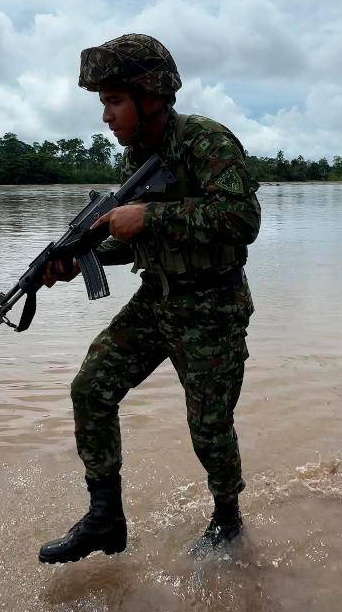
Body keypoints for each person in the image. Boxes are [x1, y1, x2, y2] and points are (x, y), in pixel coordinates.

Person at [37, 34, 261, 563]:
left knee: (208, 426)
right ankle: (105, 519)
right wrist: (80, 259)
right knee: (91, 388)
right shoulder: (140, 155)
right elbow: (135, 238)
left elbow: (243, 220)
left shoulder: (207, 141)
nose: (106, 116)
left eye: (114, 101)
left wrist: (149, 216)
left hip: (212, 307)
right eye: (103, 103)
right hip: (157, 300)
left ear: (151, 95)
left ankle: (228, 522)